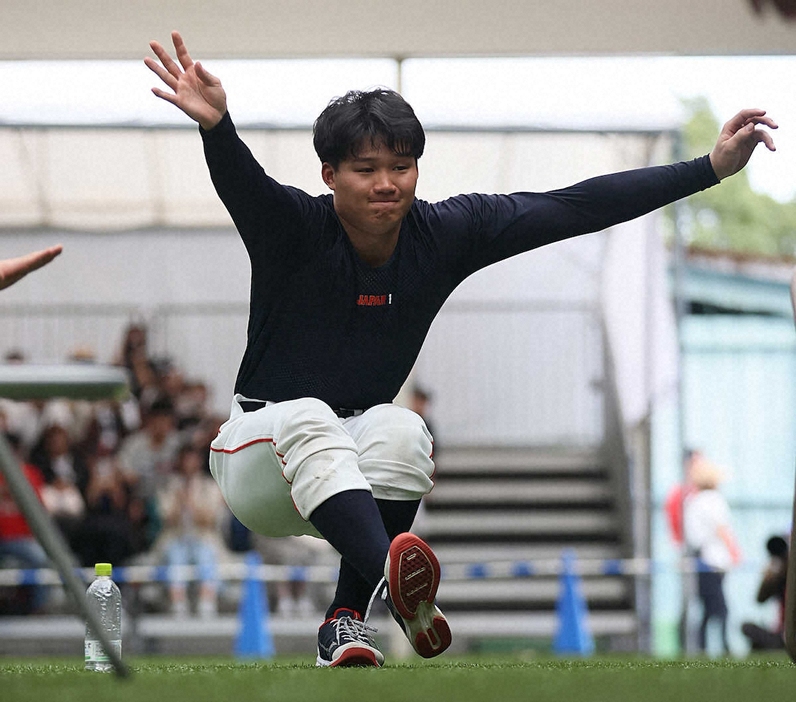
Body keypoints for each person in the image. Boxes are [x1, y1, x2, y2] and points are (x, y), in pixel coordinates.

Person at [146, 30, 777, 667]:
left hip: (347, 468)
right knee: (310, 414)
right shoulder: (292, 228)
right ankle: (399, 585)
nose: (386, 183)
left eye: (402, 167)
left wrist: (709, 169)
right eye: (366, 170)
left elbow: (572, 206)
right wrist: (218, 128)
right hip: (257, 455)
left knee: (403, 429)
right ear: (329, 175)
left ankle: (345, 620)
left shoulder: (446, 233)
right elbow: (243, 185)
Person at [683, 459, 742, 655]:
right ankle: (724, 646)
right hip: (714, 560)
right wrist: (734, 551)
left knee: (707, 608)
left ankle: (702, 647)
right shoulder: (713, 500)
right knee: (720, 608)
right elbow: (722, 528)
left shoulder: (693, 500)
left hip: (701, 558)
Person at [741, 534, 788, 652]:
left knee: (748, 629)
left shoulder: (783, 573)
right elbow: (760, 599)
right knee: (748, 628)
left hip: (786, 636)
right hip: (781, 634)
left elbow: (759, 599)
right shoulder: (779, 577)